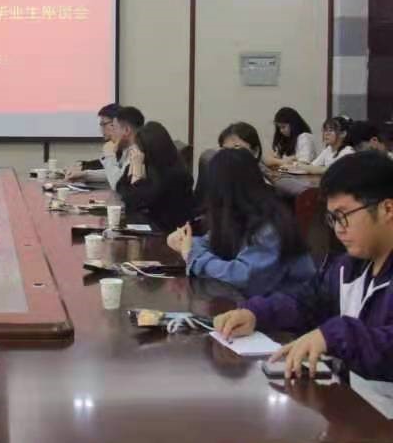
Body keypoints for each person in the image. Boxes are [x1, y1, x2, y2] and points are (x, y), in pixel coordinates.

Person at [213, 152, 393, 381]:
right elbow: (304, 303)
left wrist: (335, 336)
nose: (338, 229)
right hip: (347, 393)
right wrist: (255, 313)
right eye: (332, 218)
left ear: (387, 209)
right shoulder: (348, 266)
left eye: (343, 215)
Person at [168, 148, 315, 297]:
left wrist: (193, 255)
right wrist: (186, 243)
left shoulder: (269, 227)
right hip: (262, 303)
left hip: (293, 307)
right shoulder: (239, 216)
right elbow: (210, 242)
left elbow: (241, 278)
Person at [117, 121, 194, 231]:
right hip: (153, 224)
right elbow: (120, 187)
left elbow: (133, 202)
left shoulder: (172, 175)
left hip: (166, 232)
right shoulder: (152, 167)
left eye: (139, 149)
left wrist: (137, 173)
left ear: (149, 150)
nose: (137, 153)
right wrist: (132, 168)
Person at [65, 103, 120, 182]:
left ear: (115, 123)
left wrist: (109, 154)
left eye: (103, 124)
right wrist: (83, 167)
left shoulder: (130, 147)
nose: (101, 129)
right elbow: (105, 167)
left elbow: (117, 177)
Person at [290, 116, 355, 175]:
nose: (326, 133)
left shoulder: (348, 151)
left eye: (330, 130)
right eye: (325, 130)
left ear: (343, 134)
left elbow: (329, 170)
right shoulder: (328, 149)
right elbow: (313, 166)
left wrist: (298, 165)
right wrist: (299, 165)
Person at [101, 106, 145, 190]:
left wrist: (109, 156)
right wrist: (86, 175)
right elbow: (120, 173)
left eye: (115, 128)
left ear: (127, 130)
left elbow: (118, 185)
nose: (112, 132)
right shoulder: (128, 149)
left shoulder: (137, 153)